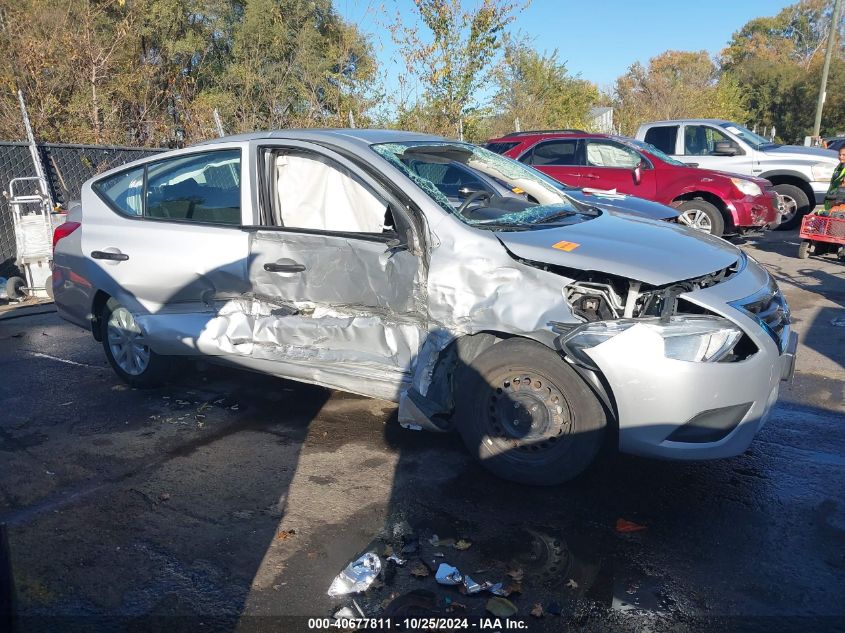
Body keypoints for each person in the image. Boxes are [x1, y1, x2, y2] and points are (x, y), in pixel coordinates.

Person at [820, 147, 845, 215]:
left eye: (844, 155)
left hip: (840, 203)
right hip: (833, 200)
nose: (841, 157)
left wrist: (836, 201)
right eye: (839, 154)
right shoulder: (839, 167)